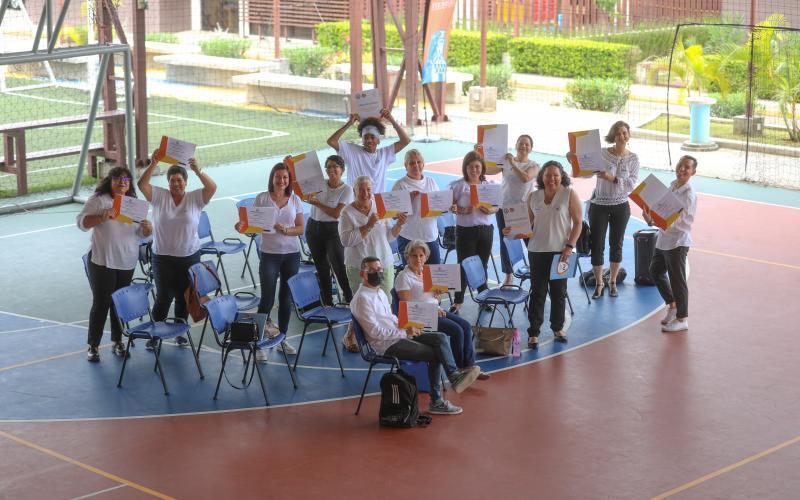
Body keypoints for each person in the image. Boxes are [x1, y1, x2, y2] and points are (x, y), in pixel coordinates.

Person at [351, 256, 481, 415]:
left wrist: (407, 326)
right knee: (435, 354)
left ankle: (454, 376)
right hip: (386, 345)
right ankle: (437, 401)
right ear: (362, 274)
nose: (377, 273)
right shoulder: (362, 299)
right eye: (372, 270)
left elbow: (391, 319)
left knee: (439, 337)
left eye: (379, 269)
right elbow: (375, 332)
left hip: (399, 334)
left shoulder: (379, 292)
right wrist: (404, 331)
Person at [138, 150, 216, 349]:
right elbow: (141, 185)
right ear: (168, 182)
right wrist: (154, 162)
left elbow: (212, 187)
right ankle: (155, 335)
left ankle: (180, 331)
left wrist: (198, 170)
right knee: (164, 296)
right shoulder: (159, 196)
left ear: (186, 182)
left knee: (185, 295)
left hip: (189, 255)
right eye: (172, 180)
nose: (176, 184)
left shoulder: (195, 198)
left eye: (179, 180)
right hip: (162, 257)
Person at [78, 167, 152, 362]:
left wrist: (147, 229)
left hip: (126, 262)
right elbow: (81, 223)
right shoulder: (99, 200)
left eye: (126, 180)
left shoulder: (134, 205)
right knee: (102, 303)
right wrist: (103, 216)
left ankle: (117, 341)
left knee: (119, 304)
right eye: (118, 180)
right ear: (109, 181)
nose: (122, 183)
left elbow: (140, 234)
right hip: (103, 261)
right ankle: (93, 345)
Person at [506, 161, 581, 349]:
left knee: (559, 293)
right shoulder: (533, 196)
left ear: (561, 176)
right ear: (542, 177)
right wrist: (512, 231)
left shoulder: (569, 194)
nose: (552, 179)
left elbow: (578, 222)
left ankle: (557, 328)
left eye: (556, 175)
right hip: (537, 251)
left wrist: (570, 246)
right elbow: (526, 225)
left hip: (562, 253)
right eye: (548, 175)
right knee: (538, 292)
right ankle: (533, 332)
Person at [236, 162, 304, 357]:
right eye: (278, 177)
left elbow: (301, 227)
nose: (281, 181)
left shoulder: (295, 200)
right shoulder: (262, 198)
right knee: (267, 299)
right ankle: (259, 342)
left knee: (285, 298)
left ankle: (282, 339)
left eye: (285, 177)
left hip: (291, 255)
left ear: (289, 180)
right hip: (269, 255)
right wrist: (242, 226)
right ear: (272, 178)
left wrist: (287, 230)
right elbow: (252, 225)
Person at [395, 240, 489, 379]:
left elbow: (432, 299)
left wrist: (437, 296)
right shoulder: (403, 277)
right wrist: (433, 310)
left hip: (435, 311)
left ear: (426, 257)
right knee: (456, 330)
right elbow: (407, 307)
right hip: (420, 318)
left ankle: (469, 367)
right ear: (407, 257)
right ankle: (460, 370)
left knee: (465, 326)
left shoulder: (426, 273)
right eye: (414, 256)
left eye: (421, 255)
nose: (418, 259)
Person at [583, 121, 640, 299]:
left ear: (628, 135)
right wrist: (573, 157)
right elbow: (584, 169)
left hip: (621, 206)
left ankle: (613, 281)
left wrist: (611, 178)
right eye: (618, 133)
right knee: (597, 245)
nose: (622, 136)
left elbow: (630, 185)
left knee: (616, 245)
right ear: (612, 136)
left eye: (624, 133)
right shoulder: (601, 153)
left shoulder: (633, 159)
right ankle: (599, 283)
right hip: (599, 205)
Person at [642, 155, 698, 333]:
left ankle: (682, 319)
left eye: (687, 167)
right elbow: (662, 209)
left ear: (693, 172)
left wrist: (654, 222)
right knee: (655, 271)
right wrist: (651, 217)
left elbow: (681, 221)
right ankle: (672, 305)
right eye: (681, 165)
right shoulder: (673, 185)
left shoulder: (689, 195)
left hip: (677, 241)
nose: (682, 169)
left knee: (678, 281)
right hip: (664, 238)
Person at [484, 134, 540, 286]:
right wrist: (480, 154)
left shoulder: (534, 165)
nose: (523, 146)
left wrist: (512, 163)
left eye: (527, 144)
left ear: (531, 148)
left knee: (531, 242)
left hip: (524, 210)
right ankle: (509, 276)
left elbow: (526, 178)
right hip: (504, 207)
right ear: (516, 145)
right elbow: (487, 170)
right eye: (521, 143)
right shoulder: (505, 162)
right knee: (506, 242)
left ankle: (538, 272)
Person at [339, 176, 407, 298]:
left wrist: (398, 224)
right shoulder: (346, 212)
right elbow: (346, 241)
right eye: (361, 190)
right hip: (359, 268)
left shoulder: (380, 207)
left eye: (368, 189)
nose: (365, 194)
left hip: (383, 265)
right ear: (354, 192)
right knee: (364, 304)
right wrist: (368, 225)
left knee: (386, 300)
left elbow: (389, 236)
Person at [449, 151, 499, 313]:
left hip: (486, 231)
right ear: (466, 168)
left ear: (482, 168)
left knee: (482, 266)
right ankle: (458, 301)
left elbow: (498, 206)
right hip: (465, 232)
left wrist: (491, 210)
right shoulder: (458, 186)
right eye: (470, 167)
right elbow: (451, 207)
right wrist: (462, 210)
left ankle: (483, 298)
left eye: (477, 166)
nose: (474, 170)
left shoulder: (489, 185)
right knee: (463, 266)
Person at [305, 154, 354, 305]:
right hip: (313, 228)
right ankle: (327, 302)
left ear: (342, 170)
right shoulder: (319, 185)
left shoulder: (347, 190)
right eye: (328, 167)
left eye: (335, 167)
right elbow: (300, 185)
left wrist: (316, 203)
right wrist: (291, 165)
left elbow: (335, 213)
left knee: (339, 266)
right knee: (321, 267)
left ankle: (350, 299)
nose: (331, 170)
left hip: (333, 231)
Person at [326, 108, 411, 193]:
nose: (369, 140)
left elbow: (405, 141)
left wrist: (392, 120)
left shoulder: (385, 154)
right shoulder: (352, 151)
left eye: (372, 137)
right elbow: (331, 141)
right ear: (362, 140)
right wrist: (349, 124)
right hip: (356, 203)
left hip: (377, 203)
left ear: (378, 140)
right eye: (365, 137)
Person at [391, 149, 442, 264]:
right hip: (408, 239)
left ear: (423, 164)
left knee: (433, 278)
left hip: (430, 237)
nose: (416, 165)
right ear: (405, 165)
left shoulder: (431, 182)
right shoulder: (400, 185)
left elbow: (440, 206)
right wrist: (407, 200)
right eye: (412, 163)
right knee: (412, 278)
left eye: (419, 162)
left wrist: (448, 207)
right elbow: (393, 215)